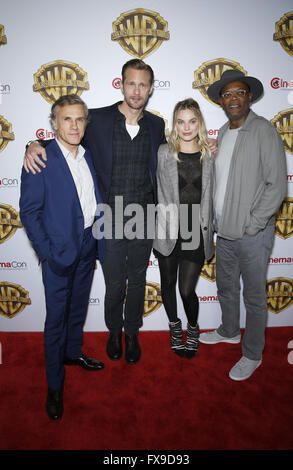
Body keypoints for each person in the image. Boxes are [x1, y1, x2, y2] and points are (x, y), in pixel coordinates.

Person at [23, 59, 166, 365]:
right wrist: (32, 143)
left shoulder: (157, 125)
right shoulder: (98, 119)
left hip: (144, 216)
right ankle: (114, 331)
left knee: (138, 279)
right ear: (121, 84)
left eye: (143, 85)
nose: (137, 91)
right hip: (108, 217)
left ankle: (132, 334)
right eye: (131, 83)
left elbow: (170, 158)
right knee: (114, 282)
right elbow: (65, 139)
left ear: (151, 89)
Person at [20, 95, 106, 420]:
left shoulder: (88, 156)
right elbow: (29, 211)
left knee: (77, 309)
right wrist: (46, 253)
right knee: (55, 321)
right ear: (54, 122)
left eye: (79, 119)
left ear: (85, 123)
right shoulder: (40, 157)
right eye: (67, 119)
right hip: (58, 252)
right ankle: (55, 386)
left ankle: (73, 354)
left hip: (87, 246)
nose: (74, 125)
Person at [199, 69, 287, 380]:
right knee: (225, 288)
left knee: (253, 296)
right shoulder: (223, 132)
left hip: (251, 234)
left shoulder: (263, 130)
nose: (233, 98)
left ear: (249, 96)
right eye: (227, 94)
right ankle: (229, 330)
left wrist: (254, 223)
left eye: (239, 93)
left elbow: (276, 185)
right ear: (221, 101)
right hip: (224, 232)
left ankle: (252, 353)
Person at [153, 98, 215, 358]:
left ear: (199, 122)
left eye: (192, 121)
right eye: (181, 121)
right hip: (168, 229)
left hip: (195, 231)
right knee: (167, 284)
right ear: (174, 124)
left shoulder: (210, 153)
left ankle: (192, 327)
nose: (186, 127)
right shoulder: (162, 152)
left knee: (186, 289)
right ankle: (174, 328)